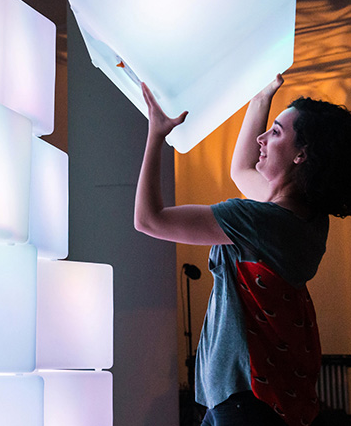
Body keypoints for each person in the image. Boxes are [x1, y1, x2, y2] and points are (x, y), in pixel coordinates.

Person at [134, 75, 351, 426]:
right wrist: (262, 95)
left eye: (276, 133)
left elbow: (149, 219)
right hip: (259, 401)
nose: (261, 139)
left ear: (301, 155)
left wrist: (156, 134)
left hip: (243, 403)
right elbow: (242, 169)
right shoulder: (308, 222)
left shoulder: (256, 221)